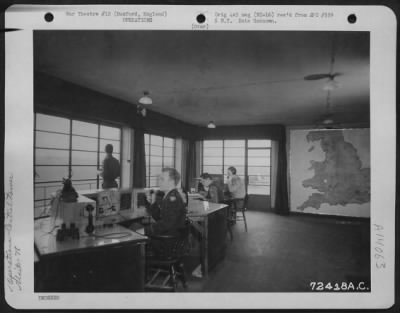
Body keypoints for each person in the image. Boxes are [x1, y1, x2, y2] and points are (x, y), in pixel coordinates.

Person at [145, 168, 187, 236]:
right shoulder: (168, 195)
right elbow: (159, 218)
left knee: (134, 228)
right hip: (167, 235)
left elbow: (167, 224)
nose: (158, 182)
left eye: (162, 179)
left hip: (167, 239)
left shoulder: (173, 199)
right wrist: (153, 203)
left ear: (171, 181)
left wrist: (145, 230)